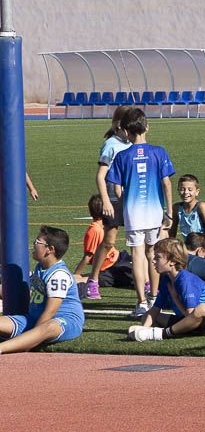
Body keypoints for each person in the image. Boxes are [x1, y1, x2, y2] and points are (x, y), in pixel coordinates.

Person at [105, 108, 175, 318]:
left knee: (137, 256)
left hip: (133, 213)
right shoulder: (159, 152)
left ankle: (141, 302)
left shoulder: (122, 155)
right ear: (147, 127)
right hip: (154, 212)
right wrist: (169, 212)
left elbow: (116, 189)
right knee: (153, 254)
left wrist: (128, 198)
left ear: (126, 131)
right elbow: (166, 183)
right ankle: (154, 297)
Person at [0, 226, 84, 354]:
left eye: (37, 242)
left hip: (64, 321)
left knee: (49, 327)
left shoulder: (58, 274)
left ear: (50, 249)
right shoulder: (41, 267)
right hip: (34, 318)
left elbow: (50, 312)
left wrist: (32, 337)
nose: (34, 245)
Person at [127, 238, 205, 342]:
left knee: (203, 309)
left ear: (173, 261)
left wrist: (175, 298)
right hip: (184, 320)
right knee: (146, 317)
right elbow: (156, 308)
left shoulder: (185, 280)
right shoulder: (166, 278)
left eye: (158, 258)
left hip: (202, 323)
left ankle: (163, 333)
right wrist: (144, 328)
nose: (153, 261)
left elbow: (191, 315)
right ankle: (169, 331)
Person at [86, 105, 134, 300]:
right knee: (109, 241)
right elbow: (100, 176)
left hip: (131, 199)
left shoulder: (133, 142)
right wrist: (105, 200)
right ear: (120, 125)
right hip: (113, 200)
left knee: (136, 242)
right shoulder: (111, 145)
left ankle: (145, 280)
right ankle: (93, 281)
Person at [74, 195, 120, 287]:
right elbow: (88, 257)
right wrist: (75, 275)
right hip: (109, 267)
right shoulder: (94, 230)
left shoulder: (104, 226)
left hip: (116, 261)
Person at [169, 174, 205, 238]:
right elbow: (172, 232)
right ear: (178, 191)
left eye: (190, 190)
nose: (186, 192)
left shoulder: (201, 207)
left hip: (203, 246)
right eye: (182, 189)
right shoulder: (177, 208)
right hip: (188, 246)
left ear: (197, 192)